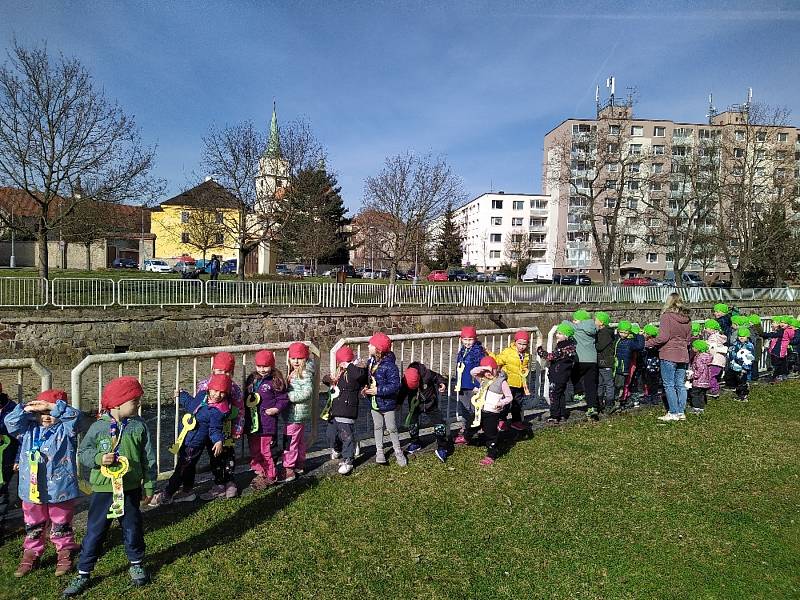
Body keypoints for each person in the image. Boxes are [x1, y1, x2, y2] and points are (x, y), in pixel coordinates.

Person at [65, 377, 157, 596]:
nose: (139, 404)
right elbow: (83, 453)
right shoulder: (97, 428)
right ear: (117, 403)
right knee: (95, 532)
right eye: (135, 401)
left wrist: (150, 484)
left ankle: (136, 563)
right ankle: (83, 572)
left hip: (131, 489)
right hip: (103, 491)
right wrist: (98, 458)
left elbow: (148, 458)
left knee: (132, 527)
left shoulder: (139, 426)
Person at [4, 390, 83, 578]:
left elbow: (76, 418)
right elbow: (10, 422)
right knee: (33, 522)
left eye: (50, 414)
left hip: (60, 488)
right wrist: (25, 408)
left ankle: (65, 549)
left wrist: (53, 408)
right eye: (42, 414)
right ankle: (32, 551)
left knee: (61, 521)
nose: (46, 418)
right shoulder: (27, 430)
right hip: (31, 489)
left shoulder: (66, 431)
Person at [149, 374, 231, 506]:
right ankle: (187, 492)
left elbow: (215, 429)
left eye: (222, 392)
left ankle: (167, 494)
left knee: (181, 468)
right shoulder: (202, 396)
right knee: (188, 467)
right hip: (185, 438)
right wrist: (182, 395)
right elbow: (191, 404)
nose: (218, 395)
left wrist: (218, 440)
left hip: (194, 443)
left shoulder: (217, 412)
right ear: (209, 388)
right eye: (215, 390)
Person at [197, 351, 243, 499]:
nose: (223, 374)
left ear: (232, 372)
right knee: (214, 456)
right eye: (220, 371)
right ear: (213, 370)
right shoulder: (204, 386)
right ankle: (218, 483)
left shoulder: (234, 389)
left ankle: (230, 482)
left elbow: (240, 410)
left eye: (227, 372)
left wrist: (238, 428)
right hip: (209, 430)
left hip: (227, 428)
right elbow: (197, 405)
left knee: (228, 455)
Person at [244, 350, 289, 489]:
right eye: (259, 366)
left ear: (272, 365)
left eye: (266, 366)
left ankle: (270, 475)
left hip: (267, 423)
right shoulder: (252, 379)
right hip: (253, 422)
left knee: (266, 450)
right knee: (254, 448)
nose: (262, 370)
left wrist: (276, 409)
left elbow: (283, 399)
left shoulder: (275, 380)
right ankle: (261, 470)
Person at [646, 292, 692, 422]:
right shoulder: (687, 318)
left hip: (669, 354)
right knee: (680, 384)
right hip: (683, 354)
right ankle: (681, 412)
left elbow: (663, 337)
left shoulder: (666, 317)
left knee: (669, 385)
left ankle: (673, 411)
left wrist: (647, 343)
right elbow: (688, 339)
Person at [323, 345, 368, 475]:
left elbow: (361, 376)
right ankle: (337, 449)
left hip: (347, 410)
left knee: (346, 436)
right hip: (334, 410)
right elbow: (326, 380)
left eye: (345, 362)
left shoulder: (357, 370)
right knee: (330, 434)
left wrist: (349, 365)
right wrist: (330, 379)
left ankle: (348, 459)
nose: (343, 364)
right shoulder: (338, 371)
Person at [365, 332, 407, 467]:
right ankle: (379, 451)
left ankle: (398, 451)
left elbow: (395, 386)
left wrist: (378, 391)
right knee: (377, 427)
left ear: (378, 349)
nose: (368, 346)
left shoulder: (390, 366)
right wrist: (365, 389)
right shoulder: (370, 362)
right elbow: (368, 380)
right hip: (374, 402)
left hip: (387, 403)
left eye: (371, 344)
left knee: (392, 428)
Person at [463, 357, 513, 466]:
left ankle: (491, 453)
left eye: (491, 371)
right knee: (471, 425)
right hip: (479, 410)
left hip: (492, 412)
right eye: (485, 372)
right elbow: (472, 372)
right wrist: (485, 368)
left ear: (496, 369)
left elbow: (509, 397)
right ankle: (466, 437)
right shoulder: (483, 379)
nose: (488, 373)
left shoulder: (501, 382)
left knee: (491, 433)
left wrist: (501, 403)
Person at [398, 363, 450, 462]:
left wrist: (442, 383)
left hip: (430, 403)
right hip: (415, 405)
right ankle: (415, 442)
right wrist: (399, 402)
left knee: (440, 424)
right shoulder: (405, 379)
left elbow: (437, 377)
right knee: (412, 423)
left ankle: (442, 447)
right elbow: (402, 391)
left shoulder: (427, 374)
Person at [283, 342, 315, 482]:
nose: (295, 361)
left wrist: (288, 397)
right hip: (298, 414)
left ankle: (289, 469)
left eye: (299, 358)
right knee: (299, 440)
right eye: (293, 358)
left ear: (305, 359)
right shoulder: (297, 371)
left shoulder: (305, 373)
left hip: (295, 414)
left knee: (289, 441)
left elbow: (307, 392)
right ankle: (299, 464)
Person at [537, 322, 577, 424]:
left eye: (559, 333)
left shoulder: (561, 347)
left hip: (557, 374)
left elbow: (550, 356)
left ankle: (554, 416)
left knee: (553, 395)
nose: (556, 335)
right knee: (561, 394)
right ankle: (562, 414)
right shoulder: (572, 346)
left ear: (566, 336)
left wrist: (540, 350)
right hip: (565, 375)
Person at [453, 326, 486, 445]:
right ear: (461, 339)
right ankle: (467, 426)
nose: (467, 342)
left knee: (474, 408)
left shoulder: (478, 352)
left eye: (470, 340)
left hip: (473, 386)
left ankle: (475, 427)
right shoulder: (462, 351)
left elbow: (482, 371)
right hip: (462, 384)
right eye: (465, 339)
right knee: (464, 407)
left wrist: (479, 385)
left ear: (475, 339)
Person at [492, 330, 531, 431]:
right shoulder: (508, 352)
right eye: (520, 343)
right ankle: (501, 420)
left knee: (517, 403)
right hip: (508, 383)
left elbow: (525, 366)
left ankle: (516, 421)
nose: (522, 346)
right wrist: (490, 355)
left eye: (524, 344)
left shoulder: (526, 354)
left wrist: (525, 370)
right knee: (505, 403)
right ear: (515, 342)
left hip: (520, 383)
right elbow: (498, 360)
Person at [569, 310, 599, 420]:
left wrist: (573, 323)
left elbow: (565, 323)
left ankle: (579, 392)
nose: (573, 321)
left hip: (580, 360)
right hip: (592, 360)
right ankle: (592, 408)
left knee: (574, 375)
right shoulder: (593, 327)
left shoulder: (576, 327)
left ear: (580, 320)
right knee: (591, 385)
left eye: (575, 319)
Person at [0, 383, 19, 546]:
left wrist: (18, 459)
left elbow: (20, 437)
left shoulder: (11, 409)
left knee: (1, 493)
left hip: (6, 459)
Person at [612, 321, 644, 411]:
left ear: (629, 332)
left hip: (624, 367)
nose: (623, 334)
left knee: (622, 384)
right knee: (617, 384)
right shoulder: (617, 339)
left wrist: (638, 335)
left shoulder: (630, 342)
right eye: (621, 332)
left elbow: (640, 346)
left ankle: (621, 400)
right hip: (616, 366)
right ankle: (617, 400)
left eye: (626, 332)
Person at [594, 311, 616, 414]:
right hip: (601, 362)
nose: (594, 321)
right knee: (600, 383)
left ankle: (609, 403)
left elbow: (599, 346)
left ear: (601, 322)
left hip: (605, 362)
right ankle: (600, 403)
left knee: (608, 383)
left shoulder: (605, 333)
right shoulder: (602, 332)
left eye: (596, 320)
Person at [727, 327, 755, 402]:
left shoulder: (749, 346)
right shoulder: (736, 344)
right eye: (740, 336)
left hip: (743, 368)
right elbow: (732, 353)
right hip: (736, 366)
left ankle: (743, 396)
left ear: (747, 336)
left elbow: (749, 359)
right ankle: (739, 393)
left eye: (743, 336)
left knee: (743, 382)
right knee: (738, 381)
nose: (741, 338)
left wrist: (745, 368)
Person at [762, 317, 794, 383]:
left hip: (779, 349)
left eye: (784, 323)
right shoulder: (787, 330)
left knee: (777, 364)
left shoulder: (784, 331)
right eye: (781, 322)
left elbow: (774, 335)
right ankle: (782, 375)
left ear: (788, 324)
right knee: (782, 363)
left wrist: (764, 334)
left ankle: (776, 376)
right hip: (782, 350)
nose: (782, 324)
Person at [704, 319, 728, 399]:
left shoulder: (712, 337)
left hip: (715, 360)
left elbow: (711, 348)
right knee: (714, 375)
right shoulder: (719, 336)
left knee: (710, 375)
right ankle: (714, 388)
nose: (705, 330)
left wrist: (705, 345)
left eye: (706, 328)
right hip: (720, 360)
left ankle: (714, 390)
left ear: (711, 329)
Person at [688, 340, 712, 415]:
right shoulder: (707, 356)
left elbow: (700, 368)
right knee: (702, 394)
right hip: (705, 380)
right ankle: (701, 408)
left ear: (698, 348)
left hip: (698, 381)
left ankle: (696, 408)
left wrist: (693, 375)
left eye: (693, 347)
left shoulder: (699, 358)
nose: (692, 348)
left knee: (695, 394)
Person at [641, 325, 663, 407]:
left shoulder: (649, 344)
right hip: (656, 365)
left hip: (650, 366)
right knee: (655, 382)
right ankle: (654, 397)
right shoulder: (657, 343)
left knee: (650, 382)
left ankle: (651, 396)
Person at [748, 314, 764, 379]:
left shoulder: (752, 329)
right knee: (755, 362)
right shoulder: (759, 329)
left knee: (753, 362)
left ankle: (754, 376)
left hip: (754, 347)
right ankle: (755, 375)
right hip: (758, 347)